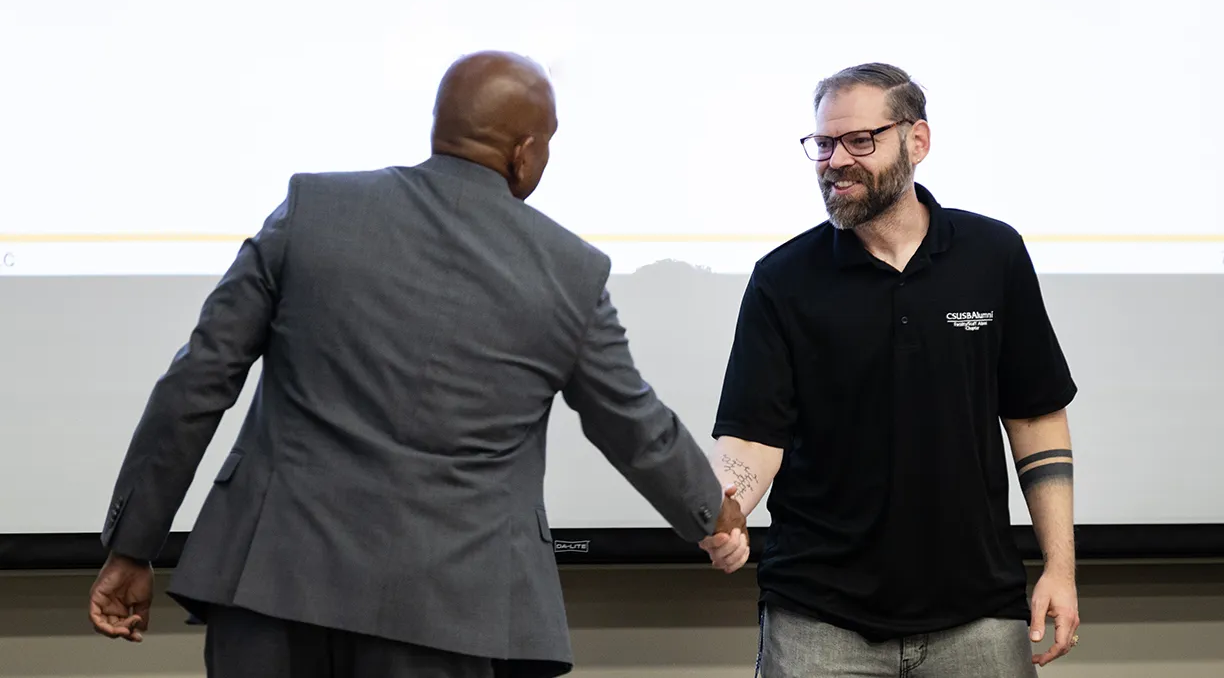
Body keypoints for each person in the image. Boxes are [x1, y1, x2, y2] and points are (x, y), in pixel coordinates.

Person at [87, 50, 746, 678]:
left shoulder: (312, 209)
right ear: (525, 152)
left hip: (269, 583)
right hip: (446, 608)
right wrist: (711, 515)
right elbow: (631, 424)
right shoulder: (568, 271)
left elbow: (197, 381)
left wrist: (133, 545)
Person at [698, 63, 1081, 676]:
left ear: (917, 142)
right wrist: (725, 508)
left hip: (979, 613)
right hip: (817, 618)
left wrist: (1059, 569)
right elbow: (752, 436)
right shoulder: (783, 279)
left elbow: (1036, 419)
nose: (835, 161)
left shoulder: (993, 256)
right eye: (823, 144)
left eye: (859, 141)